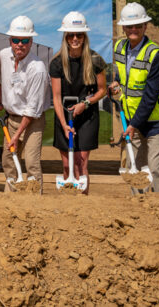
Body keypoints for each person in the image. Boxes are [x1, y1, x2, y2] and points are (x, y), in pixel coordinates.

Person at [109, 2, 159, 192]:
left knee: (155, 172)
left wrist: (133, 125)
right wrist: (116, 84)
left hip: (158, 121)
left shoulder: (156, 55)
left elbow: (150, 96)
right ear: (123, 27)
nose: (134, 29)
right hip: (133, 120)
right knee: (134, 171)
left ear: (146, 26)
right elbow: (122, 77)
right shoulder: (120, 47)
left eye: (138, 25)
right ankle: (138, 212)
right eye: (130, 26)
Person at [49, 11, 107, 195]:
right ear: (65, 37)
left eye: (79, 34)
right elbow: (56, 97)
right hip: (64, 115)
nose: (75, 38)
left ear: (84, 36)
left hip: (87, 115)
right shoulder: (57, 63)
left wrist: (86, 104)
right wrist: (64, 124)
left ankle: (82, 203)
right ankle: (67, 203)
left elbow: (102, 90)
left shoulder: (96, 60)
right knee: (67, 165)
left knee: (81, 163)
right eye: (71, 35)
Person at [0, 16, 50, 193]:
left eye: (24, 40)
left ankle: (34, 201)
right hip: (11, 119)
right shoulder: (3, 56)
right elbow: (0, 78)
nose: (20, 44)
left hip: (33, 121)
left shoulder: (37, 69)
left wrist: (17, 136)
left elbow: (32, 110)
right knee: (8, 160)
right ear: (10, 40)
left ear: (31, 41)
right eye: (16, 40)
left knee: (31, 163)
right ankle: (11, 198)